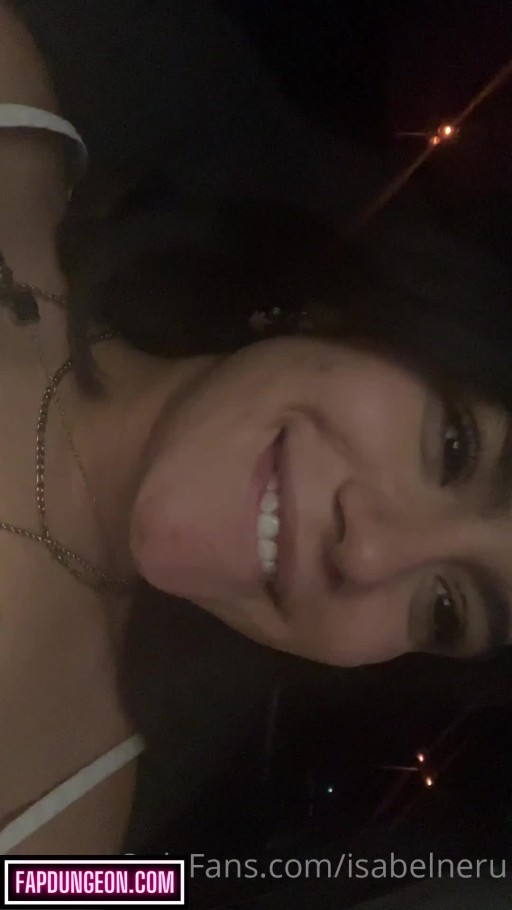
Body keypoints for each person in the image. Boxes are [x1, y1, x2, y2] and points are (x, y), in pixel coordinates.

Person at [1, 0, 512, 857]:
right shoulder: (11, 98)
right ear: (360, 318)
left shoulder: (66, 853)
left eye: (445, 608)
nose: (369, 556)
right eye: (454, 449)